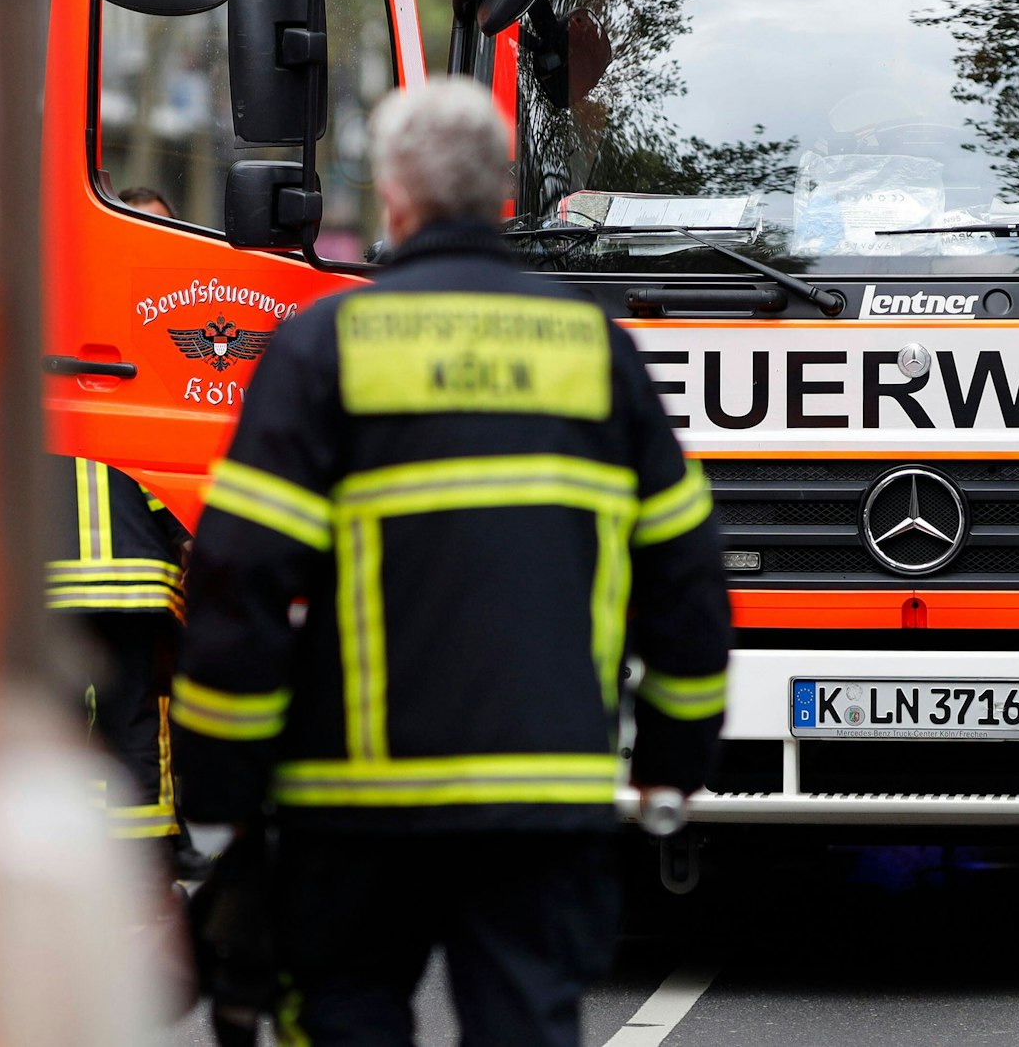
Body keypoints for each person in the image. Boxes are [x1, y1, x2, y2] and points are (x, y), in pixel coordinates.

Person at [171, 79, 731, 1047]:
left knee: (343, 1013)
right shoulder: (596, 353)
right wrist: (672, 767)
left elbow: (237, 586)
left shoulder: (321, 349)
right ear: (496, 195)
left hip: (349, 809)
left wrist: (221, 799)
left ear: (393, 195)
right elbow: (684, 576)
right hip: (541, 800)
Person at [44, 452, 203, 883]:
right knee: (136, 723)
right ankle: (145, 865)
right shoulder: (136, 391)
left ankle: (66, 856)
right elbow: (162, 475)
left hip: (50, 583)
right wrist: (188, 538)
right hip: (137, 582)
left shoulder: (31, 392)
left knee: (60, 730)